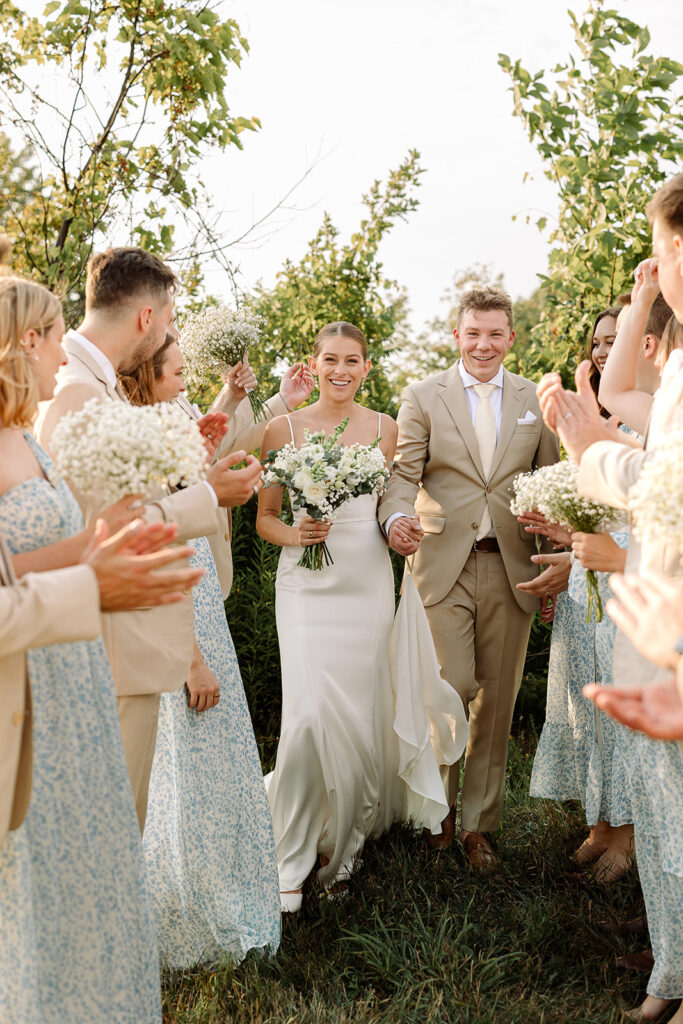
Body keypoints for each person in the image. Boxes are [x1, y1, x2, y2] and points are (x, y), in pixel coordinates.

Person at [0, 276, 186, 1024]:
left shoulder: (25, 434)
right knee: (36, 872)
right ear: (25, 343)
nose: (60, 358)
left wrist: (109, 546)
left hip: (73, 675)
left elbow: (39, 552)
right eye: (51, 337)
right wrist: (91, 580)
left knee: (90, 865)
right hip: (25, 682)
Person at [35, 246, 264, 828]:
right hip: (105, 653)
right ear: (145, 317)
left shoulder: (100, 387)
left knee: (123, 830)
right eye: (166, 318)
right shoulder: (76, 394)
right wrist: (210, 497)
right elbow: (103, 534)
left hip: (125, 650)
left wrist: (193, 461)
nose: (167, 331)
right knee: (109, 834)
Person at [537, 171, 683, 1024]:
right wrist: (638, 305)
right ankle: (669, 968)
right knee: (663, 818)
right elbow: (627, 395)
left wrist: (590, 449)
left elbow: (663, 481)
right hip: (655, 624)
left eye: (660, 250)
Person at [256, 321, 465, 910]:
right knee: (305, 721)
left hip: (366, 582)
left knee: (356, 718)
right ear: (313, 363)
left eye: (352, 360)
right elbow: (264, 519)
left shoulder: (386, 429)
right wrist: (296, 534)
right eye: (330, 360)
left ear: (367, 367)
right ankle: (291, 857)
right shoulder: (281, 429)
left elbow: (388, 503)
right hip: (304, 584)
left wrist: (398, 527)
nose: (341, 370)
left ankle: (342, 851)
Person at [379, 286, 560, 871]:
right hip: (441, 564)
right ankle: (438, 816)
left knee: (497, 702)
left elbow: (552, 481)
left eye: (495, 334)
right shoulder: (423, 396)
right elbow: (403, 475)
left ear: (510, 337)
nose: (483, 344)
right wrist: (395, 518)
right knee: (450, 686)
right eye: (473, 333)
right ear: (456, 336)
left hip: (514, 564)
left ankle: (479, 827)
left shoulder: (535, 400)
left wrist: (558, 554)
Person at [121, 335, 282, 966]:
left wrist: (239, 398)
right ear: (149, 377)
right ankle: (189, 912)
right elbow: (161, 558)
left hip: (200, 604)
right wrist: (190, 658)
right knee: (186, 761)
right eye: (180, 373)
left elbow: (213, 450)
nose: (189, 383)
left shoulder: (169, 419)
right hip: (181, 623)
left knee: (202, 766)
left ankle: (210, 892)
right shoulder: (142, 443)